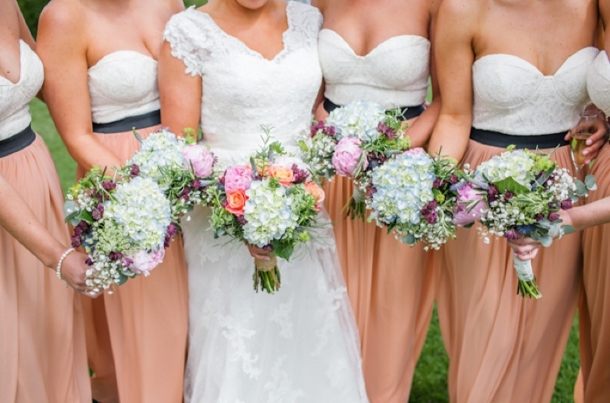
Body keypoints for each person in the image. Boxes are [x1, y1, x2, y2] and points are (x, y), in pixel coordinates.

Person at [159, 0, 368, 401]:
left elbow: (314, 111)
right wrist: (243, 210)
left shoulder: (308, 20)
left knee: (308, 326)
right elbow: (181, 152)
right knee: (239, 337)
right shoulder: (188, 34)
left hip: (302, 205)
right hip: (221, 211)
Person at [428, 0, 606, 401]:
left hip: (566, 187)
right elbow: (454, 116)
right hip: (484, 185)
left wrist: (599, 114)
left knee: (541, 335)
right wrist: (440, 185)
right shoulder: (462, 10)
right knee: (488, 333)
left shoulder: (592, 6)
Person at [36, 0, 188, 401]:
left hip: (183, 174)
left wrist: (185, 174)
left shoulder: (167, 2)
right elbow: (76, 136)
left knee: (195, 318)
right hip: (119, 187)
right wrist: (142, 194)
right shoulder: (64, 16)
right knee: (154, 328)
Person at [311, 0, 440, 401]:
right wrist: (330, 138)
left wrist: (386, 151)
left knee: (392, 307)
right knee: (327, 300)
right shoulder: (321, 1)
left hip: (399, 179)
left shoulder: (434, 4)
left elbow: (446, 103)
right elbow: (311, 93)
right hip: (334, 173)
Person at [0, 0, 91, 400]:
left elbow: (43, 80)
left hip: (36, 176)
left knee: (47, 329)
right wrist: (57, 254)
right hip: (7, 202)